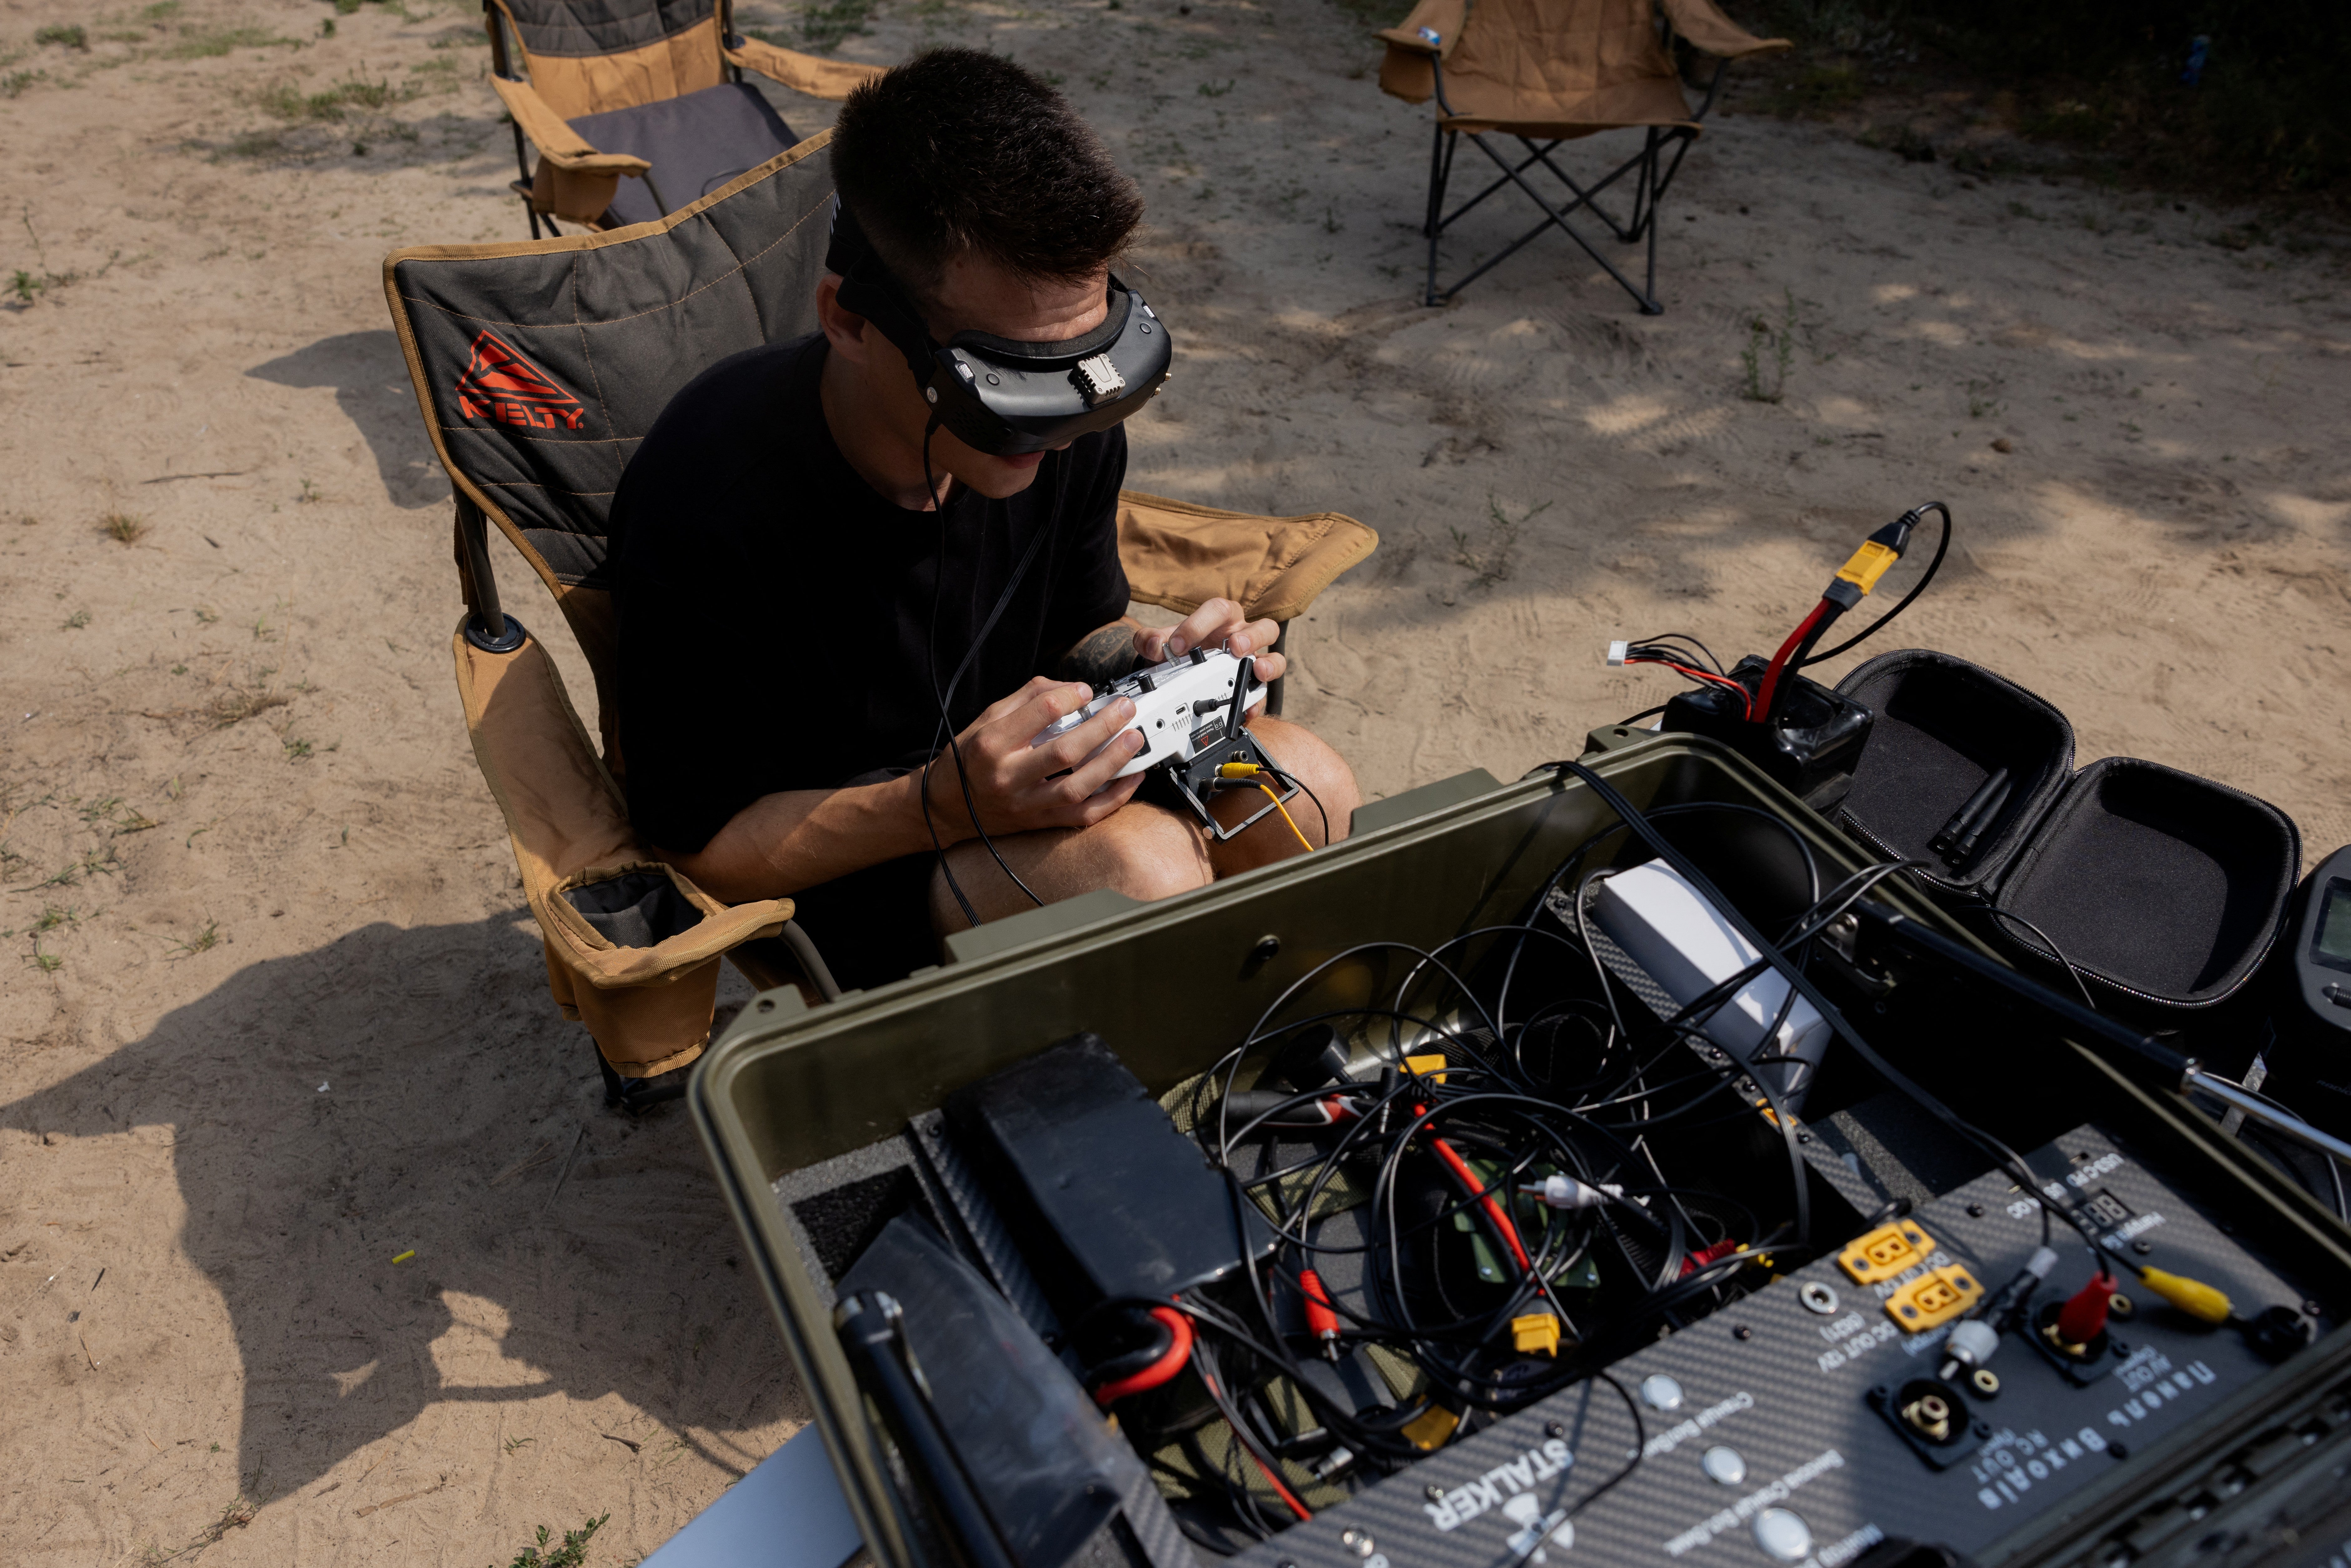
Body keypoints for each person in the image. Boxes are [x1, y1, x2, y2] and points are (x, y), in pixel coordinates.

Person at [609, 48, 1361, 993]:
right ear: (847, 320)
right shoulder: (711, 499)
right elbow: (701, 848)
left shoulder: (1066, 427)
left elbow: (1076, 634)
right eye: (1008, 384)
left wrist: (1154, 667)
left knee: (1306, 792)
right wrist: (942, 806)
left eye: (1083, 367)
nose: (1058, 426)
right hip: (843, 858)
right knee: (1140, 874)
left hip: (1020, 781)